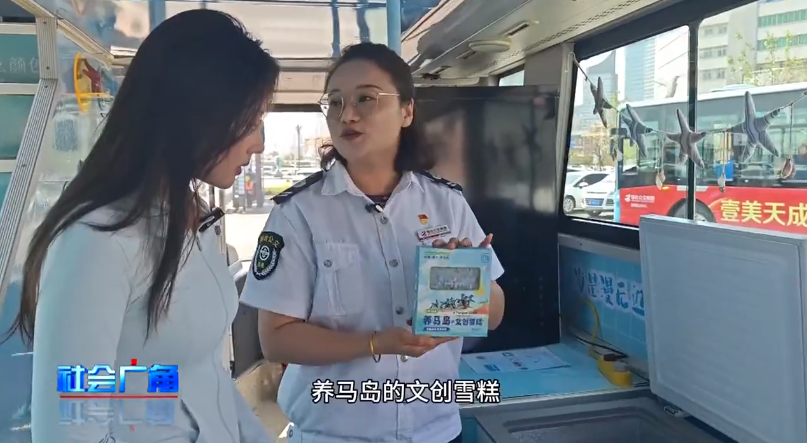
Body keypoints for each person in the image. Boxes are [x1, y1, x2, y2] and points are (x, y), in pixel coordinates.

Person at [1, 10, 279, 443]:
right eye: (251, 120)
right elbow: (70, 426)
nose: (259, 144)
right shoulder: (97, 241)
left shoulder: (193, 222)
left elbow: (202, 380)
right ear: (196, 114)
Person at [239, 43, 506, 443]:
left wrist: (466, 283)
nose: (347, 114)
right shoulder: (298, 213)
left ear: (407, 111)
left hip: (434, 432)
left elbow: (495, 312)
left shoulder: (445, 203)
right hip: (334, 435)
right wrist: (375, 343)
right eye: (335, 102)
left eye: (366, 98)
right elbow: (276, 339)